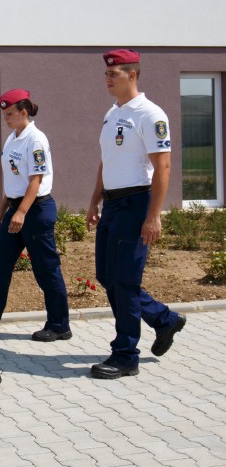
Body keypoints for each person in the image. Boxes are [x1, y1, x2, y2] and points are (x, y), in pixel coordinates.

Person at [86, 49, 186, 379]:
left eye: (113, 74)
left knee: (125, 281)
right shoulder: (112, 113)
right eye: (105, 74)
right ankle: (164, 319)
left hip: (136, 204)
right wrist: (95, 200)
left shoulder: (150, 114)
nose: (107, 78)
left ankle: (126, 355)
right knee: (107, 276)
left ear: (132, 75)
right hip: (113, 204)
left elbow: (163, 167)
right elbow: (106, 161)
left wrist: (154, 215)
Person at [0, 89, 71, 341]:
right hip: (16, 208)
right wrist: (3, 209)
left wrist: (21, 212)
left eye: (9, 113)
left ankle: (59, 324)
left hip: (36, 210)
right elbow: (14, 179)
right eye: (4, 114)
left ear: (24, 112)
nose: (5, 118)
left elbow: (35, 179)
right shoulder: (12, 138)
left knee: (45, 268)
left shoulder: (36, 139)